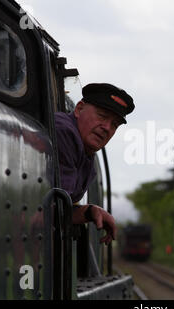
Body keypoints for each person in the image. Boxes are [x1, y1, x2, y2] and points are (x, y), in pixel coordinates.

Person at [55, 83, 135, 245]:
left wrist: (91, 211)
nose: (107, 128)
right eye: (102, 116)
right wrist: (87, 211)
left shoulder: (86, 152)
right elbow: (56, 212)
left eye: (114, 125)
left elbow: (61, 211)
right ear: (79, 109)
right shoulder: (64, 133)